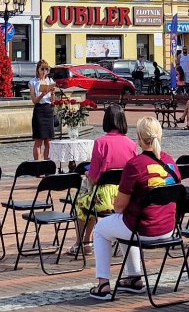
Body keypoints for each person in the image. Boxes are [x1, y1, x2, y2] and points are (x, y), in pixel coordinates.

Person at [88, 117, 178, 300]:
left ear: (138, 138)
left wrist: (119, 206)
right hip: (168, 228)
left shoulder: (135, 164)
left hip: (144, 228)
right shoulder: (170, 162)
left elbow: (119, 205)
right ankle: (134, 278)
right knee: (123, 222)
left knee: (101, 229)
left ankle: (103, 284)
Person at [74, 105, 138, 256]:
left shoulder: (101, 143)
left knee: (82, 202)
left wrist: (86, 173)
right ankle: (89, 242)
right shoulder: (131, 144)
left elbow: (94, 177)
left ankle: (82, 242)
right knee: (91, 201)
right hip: (125, 197)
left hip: (103, 197)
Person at [30, 61, 58, 162]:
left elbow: (52, 101)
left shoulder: (50, 81)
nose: (44, 71)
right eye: (42, 69)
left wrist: (53, 93)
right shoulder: (33, 82)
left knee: (48, 141)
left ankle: (47, 164)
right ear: (38, 70)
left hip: (48, 110)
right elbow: (34, 100)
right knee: (38, 141)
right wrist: (42, 94)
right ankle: (38, 165)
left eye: (46, 69)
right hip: (39, 110)